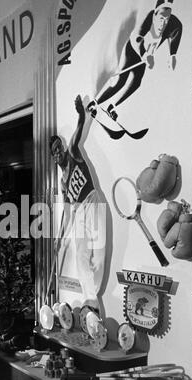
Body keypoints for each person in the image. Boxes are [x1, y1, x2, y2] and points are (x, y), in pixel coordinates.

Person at [50, 95, 106, 306]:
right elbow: (67, 211)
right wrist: (59, 236)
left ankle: (93, 297)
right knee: (81, 256)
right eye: (54, 151)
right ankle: (90, 301)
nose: (57, 152)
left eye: (58, 147)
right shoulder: (62, 182)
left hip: (93, 201)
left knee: (98, 256)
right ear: (52, 156)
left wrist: (82, 113)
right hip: (80, 212)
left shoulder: (73, 152)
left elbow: (80, 126)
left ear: (63, 147)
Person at [87, 0, 182, 121]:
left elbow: (176, 33)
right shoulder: (148, 18)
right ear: (155, 14)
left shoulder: (173, 24)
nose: (163, 23)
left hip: (145, 57)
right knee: (120, 81)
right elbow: (138, 39)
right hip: (132, 50)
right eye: (161, 18)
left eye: (167, 19)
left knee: (136, 83)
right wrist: (145, 55)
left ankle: (112, 107)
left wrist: (172, 56)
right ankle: (94, 104)